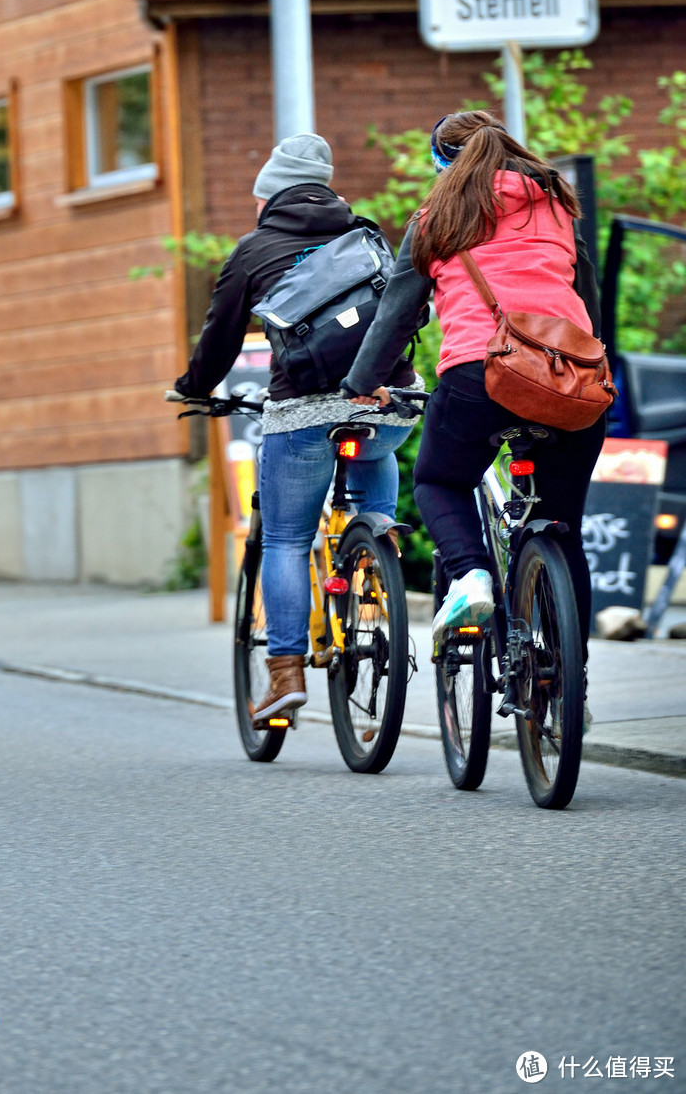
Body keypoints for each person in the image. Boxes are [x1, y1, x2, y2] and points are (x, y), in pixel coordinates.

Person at [173, 133, 421, 727]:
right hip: (385, 402)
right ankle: (376, 562)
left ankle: (284, 673)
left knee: (286, 539)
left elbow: (220, 340)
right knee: (372, 467)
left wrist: (192, 388)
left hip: (303, 411)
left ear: (268, 198)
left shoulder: (253, 250)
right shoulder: (365, 237)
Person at [343, 111, 604, 662]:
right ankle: (568, 679)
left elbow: (397, 314)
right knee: (559, 530)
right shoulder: (556, 207)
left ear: (443, 164)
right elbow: (589, 299)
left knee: (438, 480)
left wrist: (362, 383)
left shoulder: (437, 216)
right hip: (569, 379)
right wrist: (584, 372)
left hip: (478, 375)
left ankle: (472, 577)